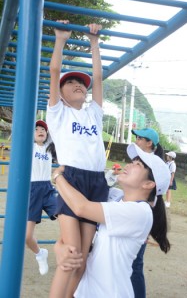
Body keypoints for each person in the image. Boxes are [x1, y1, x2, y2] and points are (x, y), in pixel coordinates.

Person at [52, 142, 171, 298]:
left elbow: (80, 207)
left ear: (148, 184)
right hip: (85, 292)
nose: (129, 165)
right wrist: (59, 246)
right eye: (131, 161)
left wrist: (58, 176)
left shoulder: (140, 212)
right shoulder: (115, 198)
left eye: (137, 164)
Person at [46, 21, 109, 297]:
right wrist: (61, 39)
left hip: (96, 182)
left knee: (82, 260)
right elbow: (55, 70)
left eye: (79, 83)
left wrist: (94, 43)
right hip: (71, 178)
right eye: (70, 83)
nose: (77, 85)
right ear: (60, 94)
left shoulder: (93, 113)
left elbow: (97, 77)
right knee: (71, 253)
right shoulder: (58, 114)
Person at [130, 127, 164, 298]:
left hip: (139, 217)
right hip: (139, 216)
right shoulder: (145, 160)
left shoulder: (151, 164)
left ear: (149, 143)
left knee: (134, 266)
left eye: (140, 138)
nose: (137, 140)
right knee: (134, 266)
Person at [26, 120, 57, 275]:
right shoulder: (29, 147)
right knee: (27, 236)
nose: (40, 130)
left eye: (43, 129)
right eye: (36, 129)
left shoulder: (49, 147)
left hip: (47, 188)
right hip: (31, 190)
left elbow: (56, 124)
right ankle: (40, 254)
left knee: (64, 213)